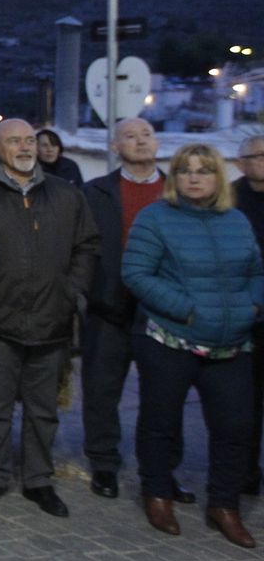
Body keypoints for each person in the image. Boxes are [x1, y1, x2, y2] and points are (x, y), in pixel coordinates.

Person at [122, 143, 264, 547]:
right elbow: (136, 273)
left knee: (236, 427)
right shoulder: (156, 218)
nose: (194, 178)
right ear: (175, 178)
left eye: (204, 171)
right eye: (185, 171)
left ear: (218, 177)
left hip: (231, 342)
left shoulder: (235, 220)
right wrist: (185, 310)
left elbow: (257, 270)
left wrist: (252, 306)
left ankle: (225, 505)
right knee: (161, 421)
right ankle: (158, 493)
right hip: (170, 338)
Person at [0, 118, 98, 519]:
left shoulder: (65, 195)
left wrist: (71, 293)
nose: (25, 147)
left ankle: (39, 480)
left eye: (30, 140)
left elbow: (88, 246)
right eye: (14, 141)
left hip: (50, 320)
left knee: (43, 410)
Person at [80, 117, 184, 502]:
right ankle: (104, 463)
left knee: (165, 395)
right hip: (109, 307)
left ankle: (161, 470)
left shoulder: (179, 191)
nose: (140, 141)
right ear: (114, 147)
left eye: (147, 134)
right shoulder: (97, 192)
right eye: (130, 136)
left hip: (164, 311)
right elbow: (85, 249)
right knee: (101, 390)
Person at [235, 135, 264, 496]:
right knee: (248, 402)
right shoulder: (231, 201)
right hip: (249, 316)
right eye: (256, 156)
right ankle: (245, 470)